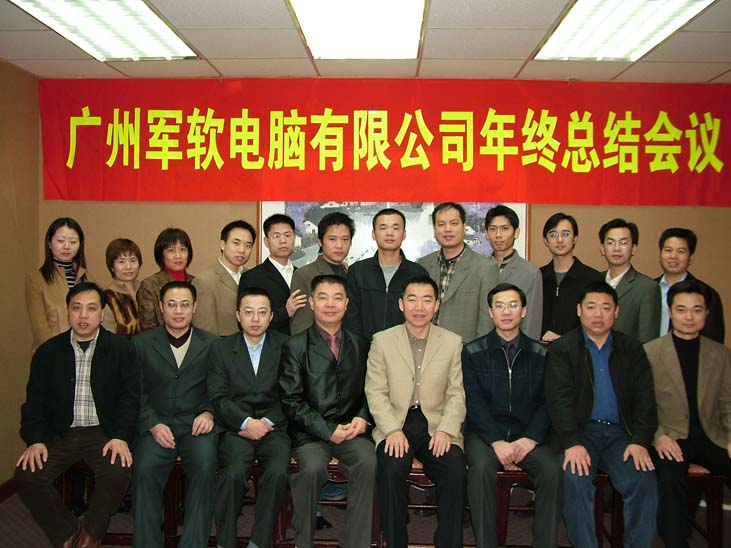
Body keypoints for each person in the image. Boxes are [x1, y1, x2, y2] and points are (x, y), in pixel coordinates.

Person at [15, 282, 139, 548]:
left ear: (102, 313)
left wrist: (121, 436)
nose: (83, 315)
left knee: (118, 472)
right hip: (59, 433)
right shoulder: (48, 352)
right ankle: (69, 534)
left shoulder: (122, 350)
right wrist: (35, 439)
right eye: (76, 308)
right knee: (26, 475)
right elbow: (34, 402)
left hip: (103, 433)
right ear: (68, 311)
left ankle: (90, 534)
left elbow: (130, 400)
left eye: (91, 308)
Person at [545, 281, 658, 548]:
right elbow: (558, 401)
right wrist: (571, 442)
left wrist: (640, 440)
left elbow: (646, 400)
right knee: (574, 481)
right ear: (579, 310)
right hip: (581, 434)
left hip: (622, 435)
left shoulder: (632, 349)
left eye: (606, 308)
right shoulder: (563, 349)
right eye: (591, 307)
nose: (598, 314)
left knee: (644, 482)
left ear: (616, 312)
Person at [365, 275, 466, 548]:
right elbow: (375, 391)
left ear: (437, 305)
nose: (419, 307)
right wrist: (391, 430)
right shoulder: (382, 341)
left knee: (455, 471)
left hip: (436, 423)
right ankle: (396, 542)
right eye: (412, 299)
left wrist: (446, 430)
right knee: (390, 470)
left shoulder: (452, 342)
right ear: (401, 304)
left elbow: (456, 393)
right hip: (397, 422)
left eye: (426, 300)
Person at [280, 274, 376, 548]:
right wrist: (327, 430)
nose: (330, 304)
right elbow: (291, 400)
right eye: (323, 297)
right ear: (311, 302)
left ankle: (356, 543)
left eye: (337, 298)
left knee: (368, 462)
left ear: (347, 303)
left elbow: (373, 389)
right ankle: (303, 541)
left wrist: (363, 417)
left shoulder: (362, 344)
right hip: (310, 433)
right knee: (311, 469)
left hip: (351, 429)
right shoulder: (295, 346)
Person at [462, 283, 561, 548]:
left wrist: (530, 438)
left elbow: (548, 402)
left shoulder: (542, 354)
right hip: (484, 436)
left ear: (524, 311)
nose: (506, 312)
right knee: (480, 469)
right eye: (500, 306)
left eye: (513, 305)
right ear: (490, 312)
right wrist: (496, 441)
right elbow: (473, 402)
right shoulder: (472, 352)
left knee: (552, 471)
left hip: (527, 435)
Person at [132, 281, 218, 548]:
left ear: (195, 307)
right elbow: (134, 391)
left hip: (196, 426)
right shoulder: (141, 344)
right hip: (156, 426)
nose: (178, 311)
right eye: (171, 304)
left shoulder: (212, 343)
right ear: (161, 308)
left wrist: (209, 412)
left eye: (184, 305)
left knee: (206, 466)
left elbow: (220, 388)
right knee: (144, 469)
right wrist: (152, 424)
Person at [645, 280, 731, 548]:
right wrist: (658, 436)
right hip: (669, 438)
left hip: (711, 436)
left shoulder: (720, 354)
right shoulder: (650, 352)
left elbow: (728, 402)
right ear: (670, 312)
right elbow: (641, 406)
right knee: (671, 480)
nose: (689, 317)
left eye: (697, 310)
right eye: (681, 310)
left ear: (706, 313)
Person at [208, 287, 291, 548]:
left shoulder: (287, 346)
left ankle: (259, 541)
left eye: (262, 312)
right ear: (238, 316)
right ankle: (225, 541)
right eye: (249, 312)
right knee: (233, 473)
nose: (255, 319)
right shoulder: (220, 348)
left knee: (277, 472)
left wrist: (265, 423)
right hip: (236, 428)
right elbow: (218, 397)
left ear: (271, 316)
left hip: (274, 427)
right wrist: (245, 423)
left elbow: (292, 394)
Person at [418, 202, 500, 342]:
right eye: (441, 224)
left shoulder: (486, 268)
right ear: (434, 229)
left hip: (465, 349)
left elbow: (487, 322)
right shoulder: (423, 264)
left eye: (454, 223)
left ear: (464, 227)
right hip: (426, 347)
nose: (447, 229)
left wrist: (478, 351)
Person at [345, 208, 428, 340]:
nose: (389, 233)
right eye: (383, 228)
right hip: (365, 349)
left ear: (404, 234)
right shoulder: (358, 271)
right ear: (373, 234)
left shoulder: (418, 273)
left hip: (405, 348)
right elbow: (351, 318)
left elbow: (422, 315)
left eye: (396, 228)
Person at [26, 217, 92, 352]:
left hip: (84, 353)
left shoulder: (88, 279)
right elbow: (40, 330)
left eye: (73, 241)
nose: (66, 246)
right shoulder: (36, 279)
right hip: (50, 353)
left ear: (80, 245)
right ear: (49, 243)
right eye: (61, 241)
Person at [238, 213, 307, 336]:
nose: (283, 240)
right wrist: (285, 312)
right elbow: (244, 322)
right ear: (266, 241)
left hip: (302, 344)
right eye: (276, 236)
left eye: (287, 235)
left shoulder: (303, 274)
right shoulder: (251, 277)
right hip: (270, 344)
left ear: (294, 238)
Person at [540, 212, 602, 343]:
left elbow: (598, 321)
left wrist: (566, 340)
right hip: (541, 350)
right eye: (553, 234)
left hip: (579, 350)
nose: (560, 240)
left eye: (565, 234)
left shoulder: (593, 278)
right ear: (546, 241)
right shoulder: (538, 277)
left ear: (575, 239)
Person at [290, 212, 354, 335]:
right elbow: (301, 326)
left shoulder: (353, 273)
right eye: (332, 239)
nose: (339, 245)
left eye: (345, 239)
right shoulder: (304, 275)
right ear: (320, 241)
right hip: (318, 345)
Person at [656, 227, 725, 343]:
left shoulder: (706, 294)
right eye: (668, 250)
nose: (673, 256)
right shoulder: (648, 289)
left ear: (691, 258)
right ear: (660, 254)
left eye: (681, 251)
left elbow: (713, 342)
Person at [484, 205, 543, 340]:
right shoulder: (478, 269)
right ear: (486, 234)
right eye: (493, 229)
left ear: (516, 232)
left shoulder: (530, 273)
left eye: (505, 229)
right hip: (483, 345)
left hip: (516, 345)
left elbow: (532, 320)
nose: (498, 235)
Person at [598, 218, 660, 343]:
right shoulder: (593, 280)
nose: (616, 248)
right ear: (603, 248)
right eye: (611, 242)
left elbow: (648, 340)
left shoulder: (647, 288)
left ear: (634, 248)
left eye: (623, 243)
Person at [193, 220, 256, 336]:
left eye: (248, 245)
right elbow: (205, 332)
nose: (242, 250)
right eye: (236, 243)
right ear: (222, 244)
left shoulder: (254, 276)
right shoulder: (204, 281)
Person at [137, 228, 194, 331]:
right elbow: (148, 328)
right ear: (161, 254)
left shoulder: (196, 282)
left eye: (182, 249)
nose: (178, 256)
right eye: (171, 250)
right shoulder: (150, 286)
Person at [102, 238, 143, 338]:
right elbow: (107, 336)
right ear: (112, 267)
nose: (128, 267)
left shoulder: (145, 288)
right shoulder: (107, 297)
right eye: (121, 262)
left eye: (133, 260)